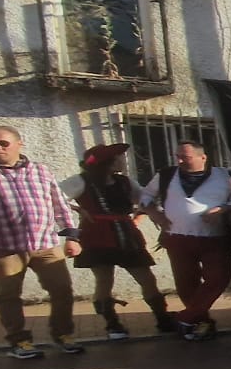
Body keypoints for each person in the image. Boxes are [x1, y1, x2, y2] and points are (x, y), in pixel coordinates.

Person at [0, 124, 86, 358]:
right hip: (5, 248)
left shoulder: (40, 171)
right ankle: (19, 342)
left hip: (45, 244)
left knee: (62, 290)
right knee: (8, 296)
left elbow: (59, 204)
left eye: (3, 143)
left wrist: (71, 236)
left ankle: (63, 335)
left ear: (19, 144)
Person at [142, 139, 231, 342]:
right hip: (177, 238)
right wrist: (154, 213)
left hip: (214, 238)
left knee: (218, 278)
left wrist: (223, 209)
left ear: (203, 157)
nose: (180, 160)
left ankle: (184, 318)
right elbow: (146, 196)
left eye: (186, 157)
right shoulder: (165, 175)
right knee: (185, 284)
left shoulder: (224, 176)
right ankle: (201, 323)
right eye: (178, 156)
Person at [71, 143, 174, 341]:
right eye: (117, 158)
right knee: (104, 279)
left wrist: (142, 217)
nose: (122, 161)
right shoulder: (81, 181)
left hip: (126, 235)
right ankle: (112, 324)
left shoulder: (125, 182)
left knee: (146, 277)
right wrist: (78, 211)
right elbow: (53, 197)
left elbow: (144, 199)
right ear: (107, 164)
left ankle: (163, 318)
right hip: (96, 234)